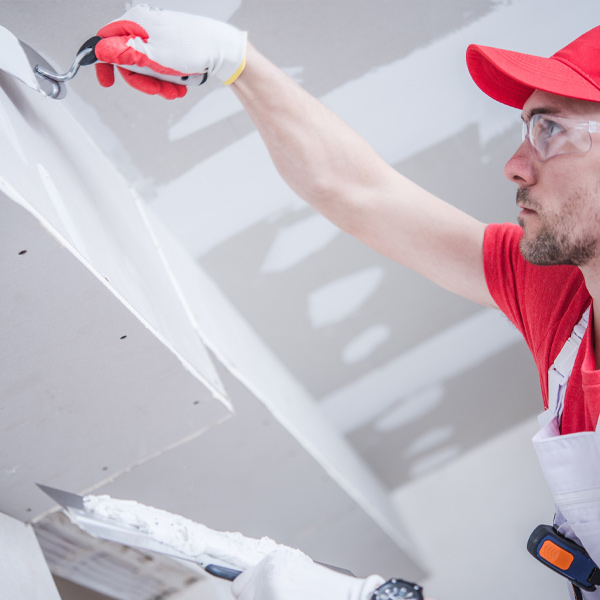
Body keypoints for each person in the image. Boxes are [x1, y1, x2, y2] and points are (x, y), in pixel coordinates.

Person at [93, 5, 600, 599]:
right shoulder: (564, 297)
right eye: (525, 131)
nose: (514, 166)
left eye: (551, 130)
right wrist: (236, 61)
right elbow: (361, 193)